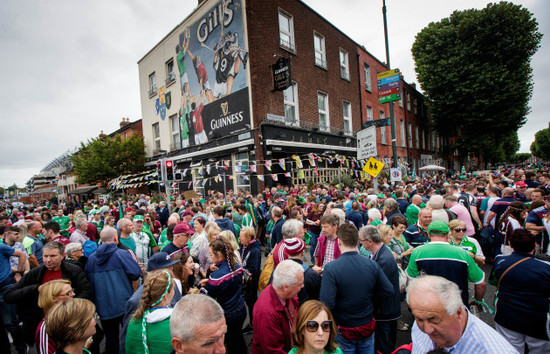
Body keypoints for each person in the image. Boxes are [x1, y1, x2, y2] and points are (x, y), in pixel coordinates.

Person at [320, 223, 394, 353]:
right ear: (357, 242)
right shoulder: (371, 264)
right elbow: (388, 290)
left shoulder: (331, 268)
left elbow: (327, 302)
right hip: (366, 324)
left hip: (343, 326)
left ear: (339, 242)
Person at [4, 241, 91, 347]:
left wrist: (69, 306)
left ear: (63, 256)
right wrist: (36, 289)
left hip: (68, 324)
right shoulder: (35, 274)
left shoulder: (73, 270)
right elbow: (9, 295)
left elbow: (86, 291)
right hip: (43, 325)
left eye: (53, 256)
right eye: (45, 256)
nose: (48, 260)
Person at [407, 275, 517, 353]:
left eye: (434, 320)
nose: (427, 330)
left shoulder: (493, 350)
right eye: (419, 319)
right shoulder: (421, 320)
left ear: (458, 312)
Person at [489, 228, 550, 353]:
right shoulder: (546, 268)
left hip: (506, 314)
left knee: (509, 349)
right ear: (535, 245)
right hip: (538, 319)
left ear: (510, 245)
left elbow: (493, 282)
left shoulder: (500, 261)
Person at [85, 227, 142, 354]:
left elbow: (88, 280)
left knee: (110, 339)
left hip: (103, 306)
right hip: (124, 304)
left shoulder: (92, 259)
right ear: (116, 238)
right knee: (128, 336)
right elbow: (136, 273)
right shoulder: (122, 254)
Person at [406, 220, 486, 307]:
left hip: (428, 303)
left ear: (429, 234)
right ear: (448, 234)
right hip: (457, 305)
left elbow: (410, 279)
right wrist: (477, 301)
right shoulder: (463, 253)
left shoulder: (417, 252)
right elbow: (481, 284)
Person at [199, 237, 247, 353]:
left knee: (231, 343)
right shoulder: (237, 267)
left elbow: (209, 297)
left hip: (228, 315)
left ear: (219, 254)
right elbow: (232, 282)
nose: (210, 257)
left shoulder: (216, 277)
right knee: (239, 337)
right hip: (241, 308)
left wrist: (202, 287)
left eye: (211, 254)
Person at [359, 225, 401, 354]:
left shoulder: (383, 259)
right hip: (385, 310)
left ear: (370, 241)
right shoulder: (381, 254)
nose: (360, 243)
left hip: (385, 312)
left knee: (384, 345)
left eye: (362, 241)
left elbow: (382, 288)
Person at [252, 259, 304, 353]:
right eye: (299, 284)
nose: (302, 286)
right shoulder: (266, 313)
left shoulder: (283, 294)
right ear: (285, 287)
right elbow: (274, 351)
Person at [126, 270, 174, 354]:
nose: (174, 292)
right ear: (165, 295)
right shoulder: (175, 324)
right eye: (173, 289)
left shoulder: (134, 322)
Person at [0, 235, 26, 353]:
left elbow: (22, 254)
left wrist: (18, 273)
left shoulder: (1, 247)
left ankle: (21, 348)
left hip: (5, 289)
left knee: (10, 322)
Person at [35, 279, 75, 354]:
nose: (73, 294)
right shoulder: (46, 328)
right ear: (53, 299)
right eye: (68, 293)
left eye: (72, 290)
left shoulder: (68, 317)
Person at [239, 226, 261, 323]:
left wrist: (243, 271)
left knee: (252, 302)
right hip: (246, 281)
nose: (239, 239)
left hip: (251, 283)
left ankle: (254, 323)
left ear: (249, 238)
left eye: (241, 237)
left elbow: (254, 269)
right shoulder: (244, 246)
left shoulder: (255, 251)